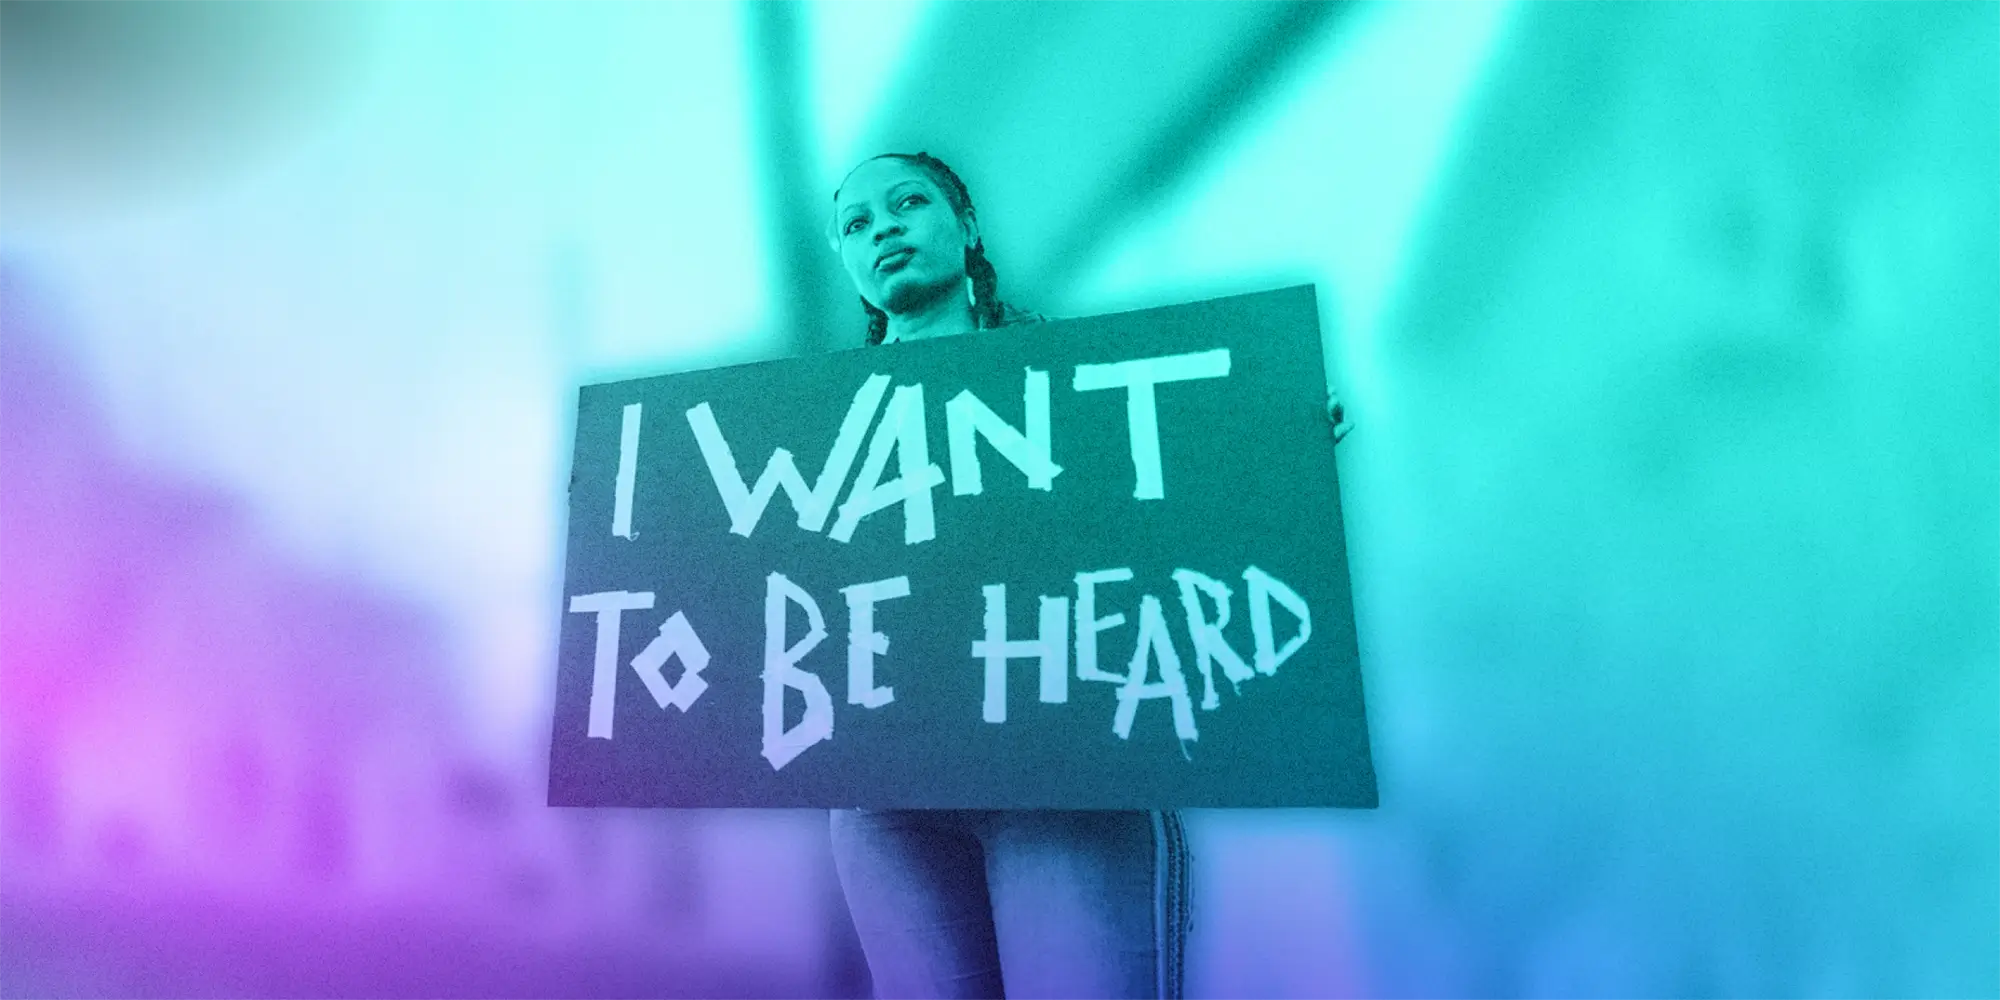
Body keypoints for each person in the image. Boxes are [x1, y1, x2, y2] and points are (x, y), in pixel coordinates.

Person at [822, 151, 1348, 1000]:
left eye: (909, 202)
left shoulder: (1082, 383)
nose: (883, 226)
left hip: (1063, 777)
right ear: (847, 260)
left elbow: (1171, 511)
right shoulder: (801, 425)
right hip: (887, 802)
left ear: (966, 227)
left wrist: (1273, 441)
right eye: (857, 222)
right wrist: (633, 508)